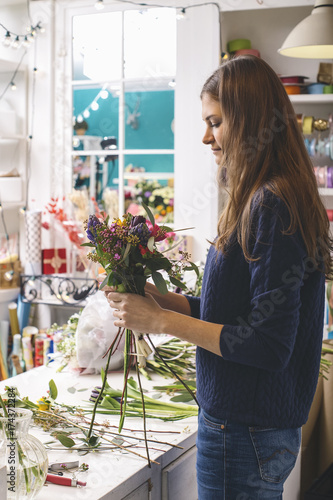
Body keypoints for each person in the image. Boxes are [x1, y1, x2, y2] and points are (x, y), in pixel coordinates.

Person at [104, 56, 333, 499]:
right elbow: (237, 313)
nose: (205, 136)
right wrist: (162, 300)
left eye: (216, 122)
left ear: (250, 122)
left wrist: (162, 323)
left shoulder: (270, 204)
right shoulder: (266, 196)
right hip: (252, 430)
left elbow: (267, 345)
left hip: (244, 432)